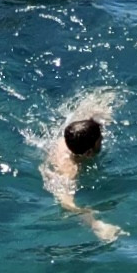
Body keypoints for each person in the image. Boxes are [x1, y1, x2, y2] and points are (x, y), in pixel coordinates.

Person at [40, 100, 125, 244]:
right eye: (100, 140)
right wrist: (95, 225)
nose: (103, 139)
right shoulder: (70, 170)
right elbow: (66, 203)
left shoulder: (71, 137)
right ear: (89, 153)